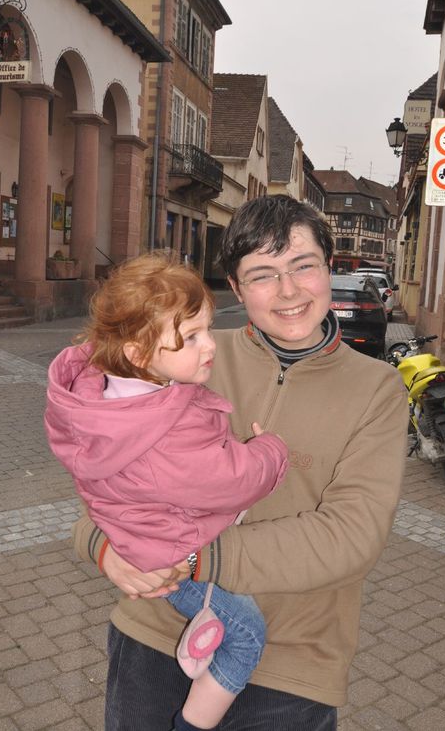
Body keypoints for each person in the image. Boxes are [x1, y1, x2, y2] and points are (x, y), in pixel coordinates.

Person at [73, 194, 409, 731]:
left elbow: (352, 535)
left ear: (329, 266)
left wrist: (191, 559)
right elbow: (107, 479)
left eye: (304, 265)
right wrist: (104, 548)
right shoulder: (187, 353)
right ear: (235, 288)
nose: (289, 291)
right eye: (263, 274)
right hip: (156, 635)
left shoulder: (378, 390)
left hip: (290, 664)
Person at [45, 254, 288, 731]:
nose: (209, 346)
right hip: (171, 555)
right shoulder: (163, 426)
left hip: (141, 540)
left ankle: (201, 642)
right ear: (139, 353)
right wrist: (270, 450)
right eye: (191, 337)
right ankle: (193, 724)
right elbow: (227, 480)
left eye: (207, 329)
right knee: (246, 634)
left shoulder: (109, 398)